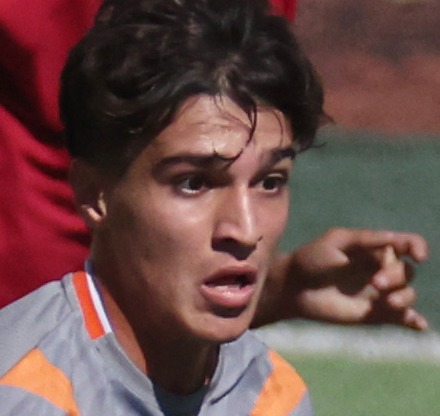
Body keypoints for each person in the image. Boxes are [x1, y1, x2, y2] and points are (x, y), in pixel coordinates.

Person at [0, 0, 429, 414]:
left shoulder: (272, 398)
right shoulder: (23, 396)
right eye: (193, 183)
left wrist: (282, 287)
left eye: (270, 182)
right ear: (94, 194)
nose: (246, 229)